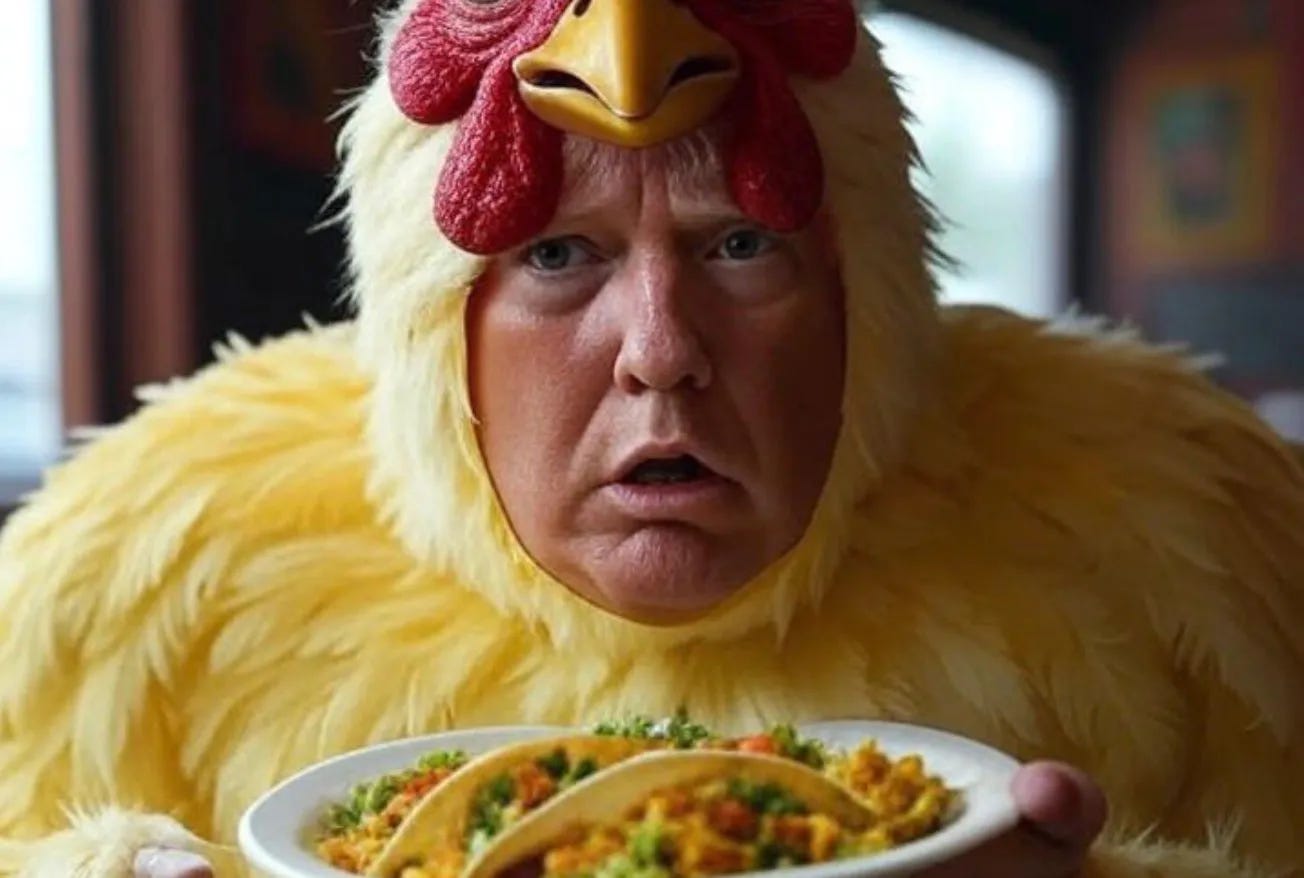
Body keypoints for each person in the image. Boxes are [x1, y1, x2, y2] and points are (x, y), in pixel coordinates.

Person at [1, 1, 1300, 876]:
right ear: (434, 326)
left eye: (740, 243)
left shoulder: (1190, 527)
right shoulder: (152, 569)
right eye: (558, 255)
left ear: (868, 303)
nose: (662, 350)